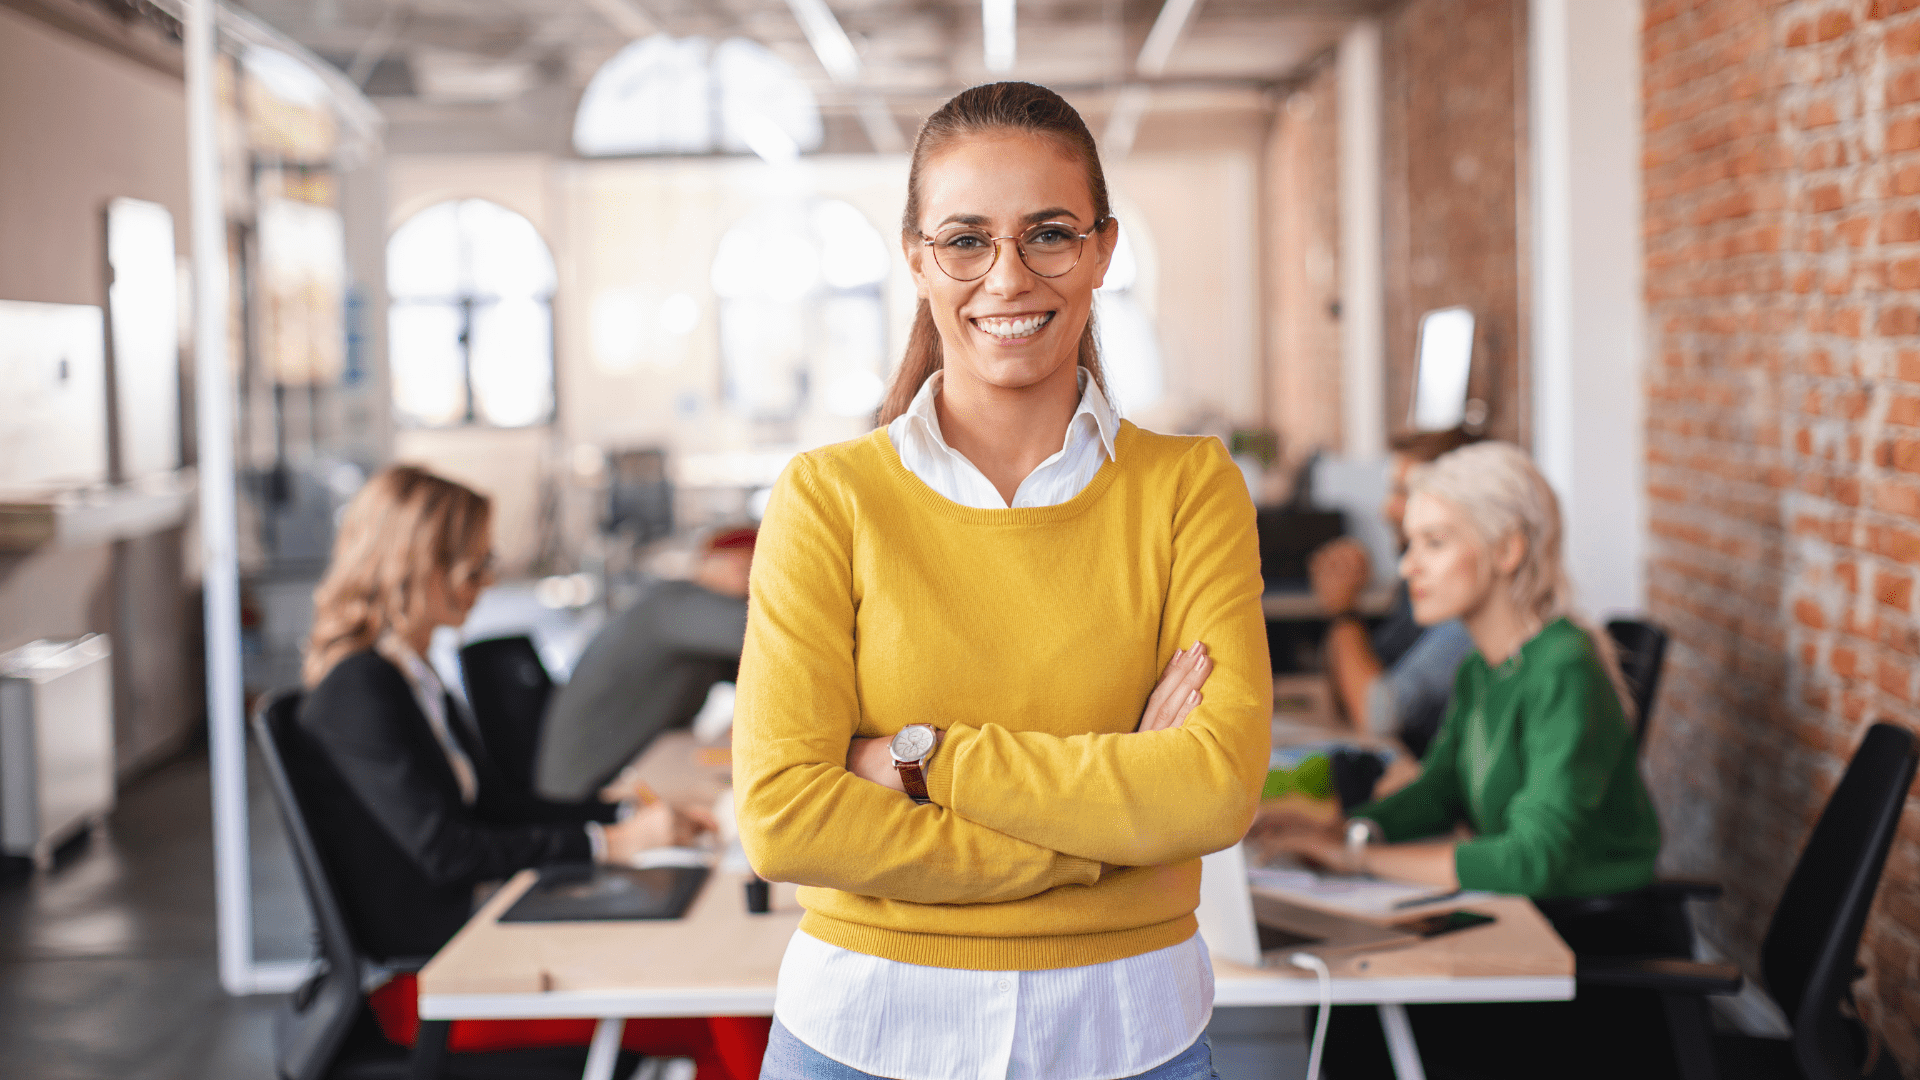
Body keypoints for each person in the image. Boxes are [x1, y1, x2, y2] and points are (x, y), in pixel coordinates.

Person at [731, 81, 1271, 1080]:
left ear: (1104, 249)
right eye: (966, 240)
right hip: (863, 1034)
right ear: (916, 259)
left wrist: (923, 761)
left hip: (1130, 1034)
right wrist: (1107, 830)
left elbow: (1211, 792)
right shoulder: (827, 498)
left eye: (1050, 233)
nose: (1009, 277)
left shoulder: (1190, 488)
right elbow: (783, 817)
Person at [293, 465, 767, 1079]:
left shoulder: (413, 674)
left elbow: (502, 806)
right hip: (440, 984)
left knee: (717, 985)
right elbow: (448, 850)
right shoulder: (360, 688)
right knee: (722, 1003)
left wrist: (626, 816)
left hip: (483, 939)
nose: (487, 582)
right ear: (418, 566)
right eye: (473, 565)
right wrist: (613, 843)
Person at [1258, 441, 1662, 1079]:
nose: (1409, 567)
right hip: (1526, 927)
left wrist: (1355, 857)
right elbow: (1437, 794)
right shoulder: (1484, 670)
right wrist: (1333, 829)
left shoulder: (1564, 669)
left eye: (1435, 543)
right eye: (1410, 544)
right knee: (1344, 1001)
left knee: (1355, 1014)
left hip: (1583, 960)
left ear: (1506, 550)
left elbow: (1532, 859)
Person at [534, 526, 755, 802]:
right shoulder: (679, 605)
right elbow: (769, 636)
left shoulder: (688, 616)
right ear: (708, 563)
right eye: (745, 566)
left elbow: (759, 673)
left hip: (625, 764)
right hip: (586, 786)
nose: (752, 579)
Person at [1309, 428, 1480, 757]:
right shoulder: (1411, 587)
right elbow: (1348, 697)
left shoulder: (1469, 615)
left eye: (1404, 494)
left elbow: (1376, 715)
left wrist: (1343, 611)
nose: (1387, 510)